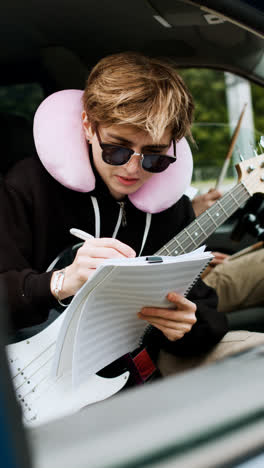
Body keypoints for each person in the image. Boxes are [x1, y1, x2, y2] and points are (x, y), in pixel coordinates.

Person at [0, 52, 228, 383]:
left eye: (154, 157)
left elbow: (203, 306)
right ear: (89, 126)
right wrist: (60, 281)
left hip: (128, 376)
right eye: (117, 150)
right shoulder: (25, 188)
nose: (132, 169)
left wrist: (188, 326)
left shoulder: (171, 209)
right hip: (28, 374)